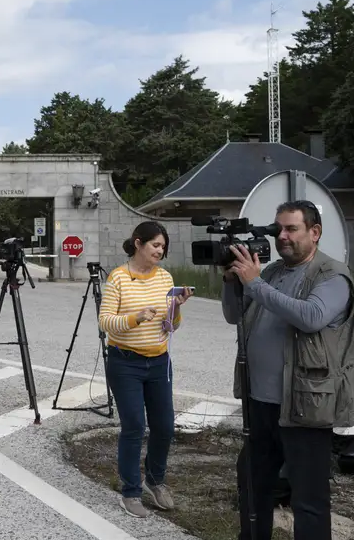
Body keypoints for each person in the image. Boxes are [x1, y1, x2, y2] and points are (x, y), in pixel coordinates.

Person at [221, 200, 354, 540]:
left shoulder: (332, 275)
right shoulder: (271, 272)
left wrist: (255, 283)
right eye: (278, 229)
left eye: (291, 229)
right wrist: (233, 282)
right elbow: (235, 314)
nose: (282, 237)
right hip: (260, 403)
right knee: (252, 485)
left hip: (304, 406)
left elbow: (311, 317)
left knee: (308, 497)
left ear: (314, 233)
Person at [98, 221, 194, 518]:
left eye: (163, 247)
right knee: (135, 426)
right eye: (155, 245)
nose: (160, 251)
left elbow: (172, 325)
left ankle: (155, 480)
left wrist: (176, 307)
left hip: (159, 361)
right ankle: (130, 491)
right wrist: (134, 318)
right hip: (125, 362)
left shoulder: (165, 277)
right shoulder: (118, 278)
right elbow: (105, 322)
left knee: (164, 425)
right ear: (138, 243)